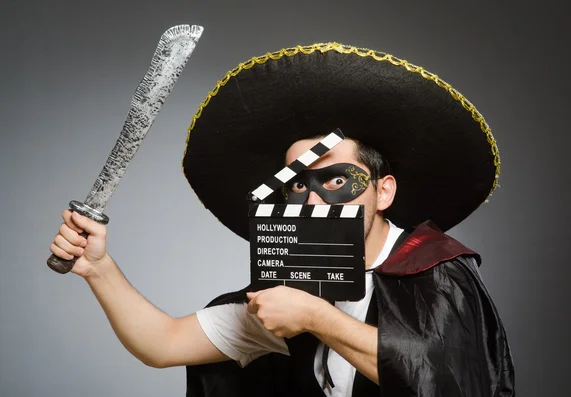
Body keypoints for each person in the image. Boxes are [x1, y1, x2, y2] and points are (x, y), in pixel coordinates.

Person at [50, 42, 515, 396]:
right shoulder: (293, 283)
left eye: (336, 181)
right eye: (297, 184)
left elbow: (442, 376)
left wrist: (313, 316)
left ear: (383, 190)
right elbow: (165, 343)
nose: (313, 201)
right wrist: (98, 268)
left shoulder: (436, 269)